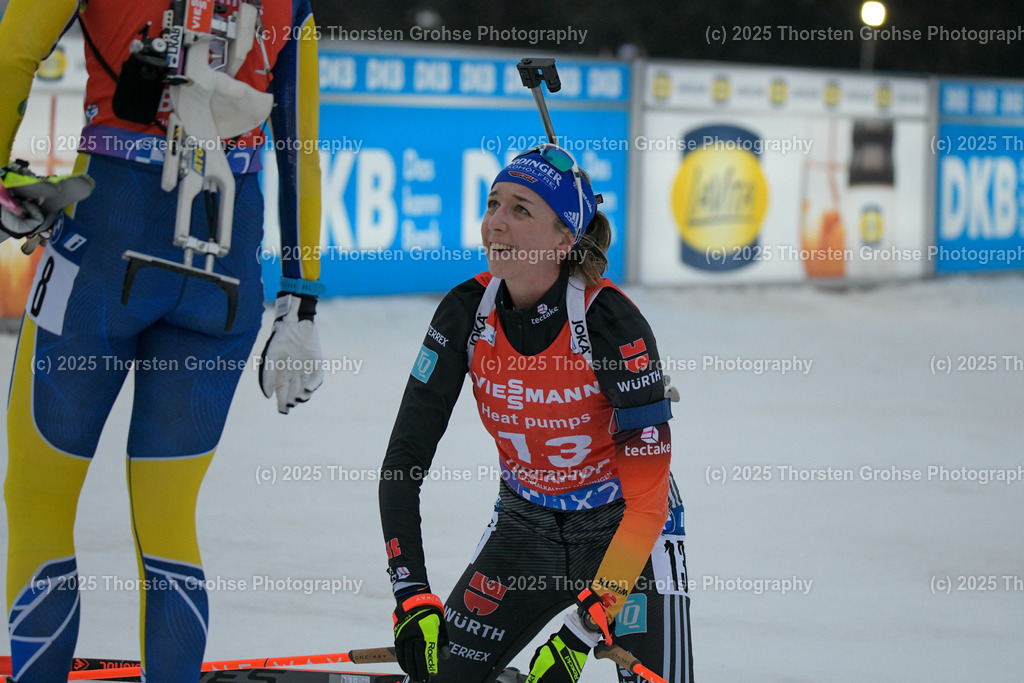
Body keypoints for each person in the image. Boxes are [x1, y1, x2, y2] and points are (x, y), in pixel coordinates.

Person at [0, 1, 324, 680]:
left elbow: (11, 54)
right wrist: (303, 293)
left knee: (39, 497)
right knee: (169, 514)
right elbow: (301, 141)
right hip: (227, 254)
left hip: (108, 227)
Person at [379, 144, 694, 683]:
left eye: (521, 210)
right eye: (493, 203)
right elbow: (402, 465)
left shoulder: (610, 324)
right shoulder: (465, 312)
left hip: (624, 534)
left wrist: (582, 630)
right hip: (524, 528)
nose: (495, 223)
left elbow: (647, 504)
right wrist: (411, 595)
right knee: (438, 677)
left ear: (564, 239)